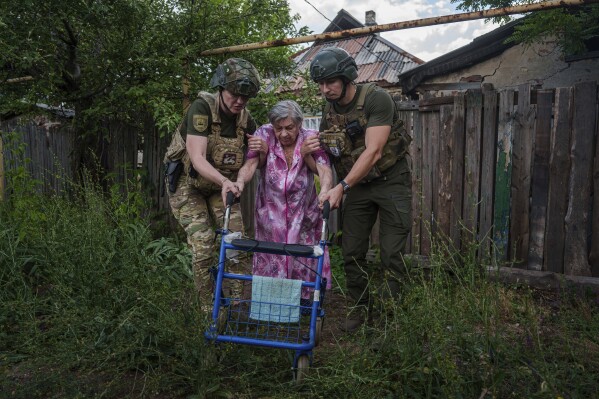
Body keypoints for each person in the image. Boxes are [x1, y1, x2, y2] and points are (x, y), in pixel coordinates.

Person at [310, 47, 412, 332]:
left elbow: (374, 151)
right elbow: (327, 158)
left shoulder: (376, 98)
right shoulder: (327, 111)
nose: (325, 89)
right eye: (320, 83)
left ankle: (390, 320)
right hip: (357, 187)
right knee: (352, 251)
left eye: (330, 81)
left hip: (391, 181)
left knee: (391, 254)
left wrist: (342, 187)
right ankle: (359, 311)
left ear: (346, 77)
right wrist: (325, 182)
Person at [163, 58, 260, 309]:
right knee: (204, 242)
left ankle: (237, 305)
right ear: (221, 88)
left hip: (222, 186)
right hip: (189, 182)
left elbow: (253, 159)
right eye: (234, 94)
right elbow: (196, 158)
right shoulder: (202, 108)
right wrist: (226, 181)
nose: (239, 101)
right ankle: (209, 309)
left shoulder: (246, 121)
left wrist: (239, 180)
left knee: (237, 240)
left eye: (245, 97)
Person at [234, 100, 333, 299]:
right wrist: (239, 183)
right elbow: (251, 164)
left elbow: (324, 170)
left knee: (302, 258)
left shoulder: (310, 138)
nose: (284, 134)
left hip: (303, 213)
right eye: (279, 128)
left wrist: (325, 191)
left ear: (299, 124)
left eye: (289, 128)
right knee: (271, 256)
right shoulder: (264, 134)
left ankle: (305, 304)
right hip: (270, 214)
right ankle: (272, 305)